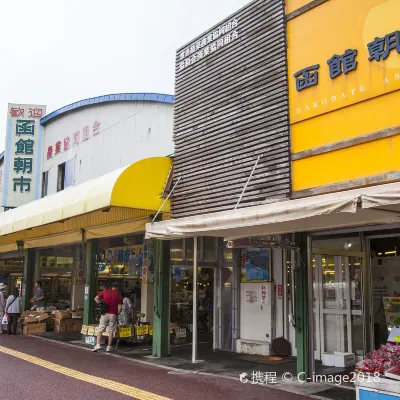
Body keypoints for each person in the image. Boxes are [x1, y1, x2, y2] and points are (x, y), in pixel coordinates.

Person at [92, 282, 122, 352]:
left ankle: (98, 345)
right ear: (117, 287)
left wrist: (101, 304)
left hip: (104, 313)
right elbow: (120, 307)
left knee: (100, 329)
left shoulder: (105, 292)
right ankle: (109, 347)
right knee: (111, 331)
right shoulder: (118, 294)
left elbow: (96, 298)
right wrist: (117, 314)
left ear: (111, 286)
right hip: (113, 314)